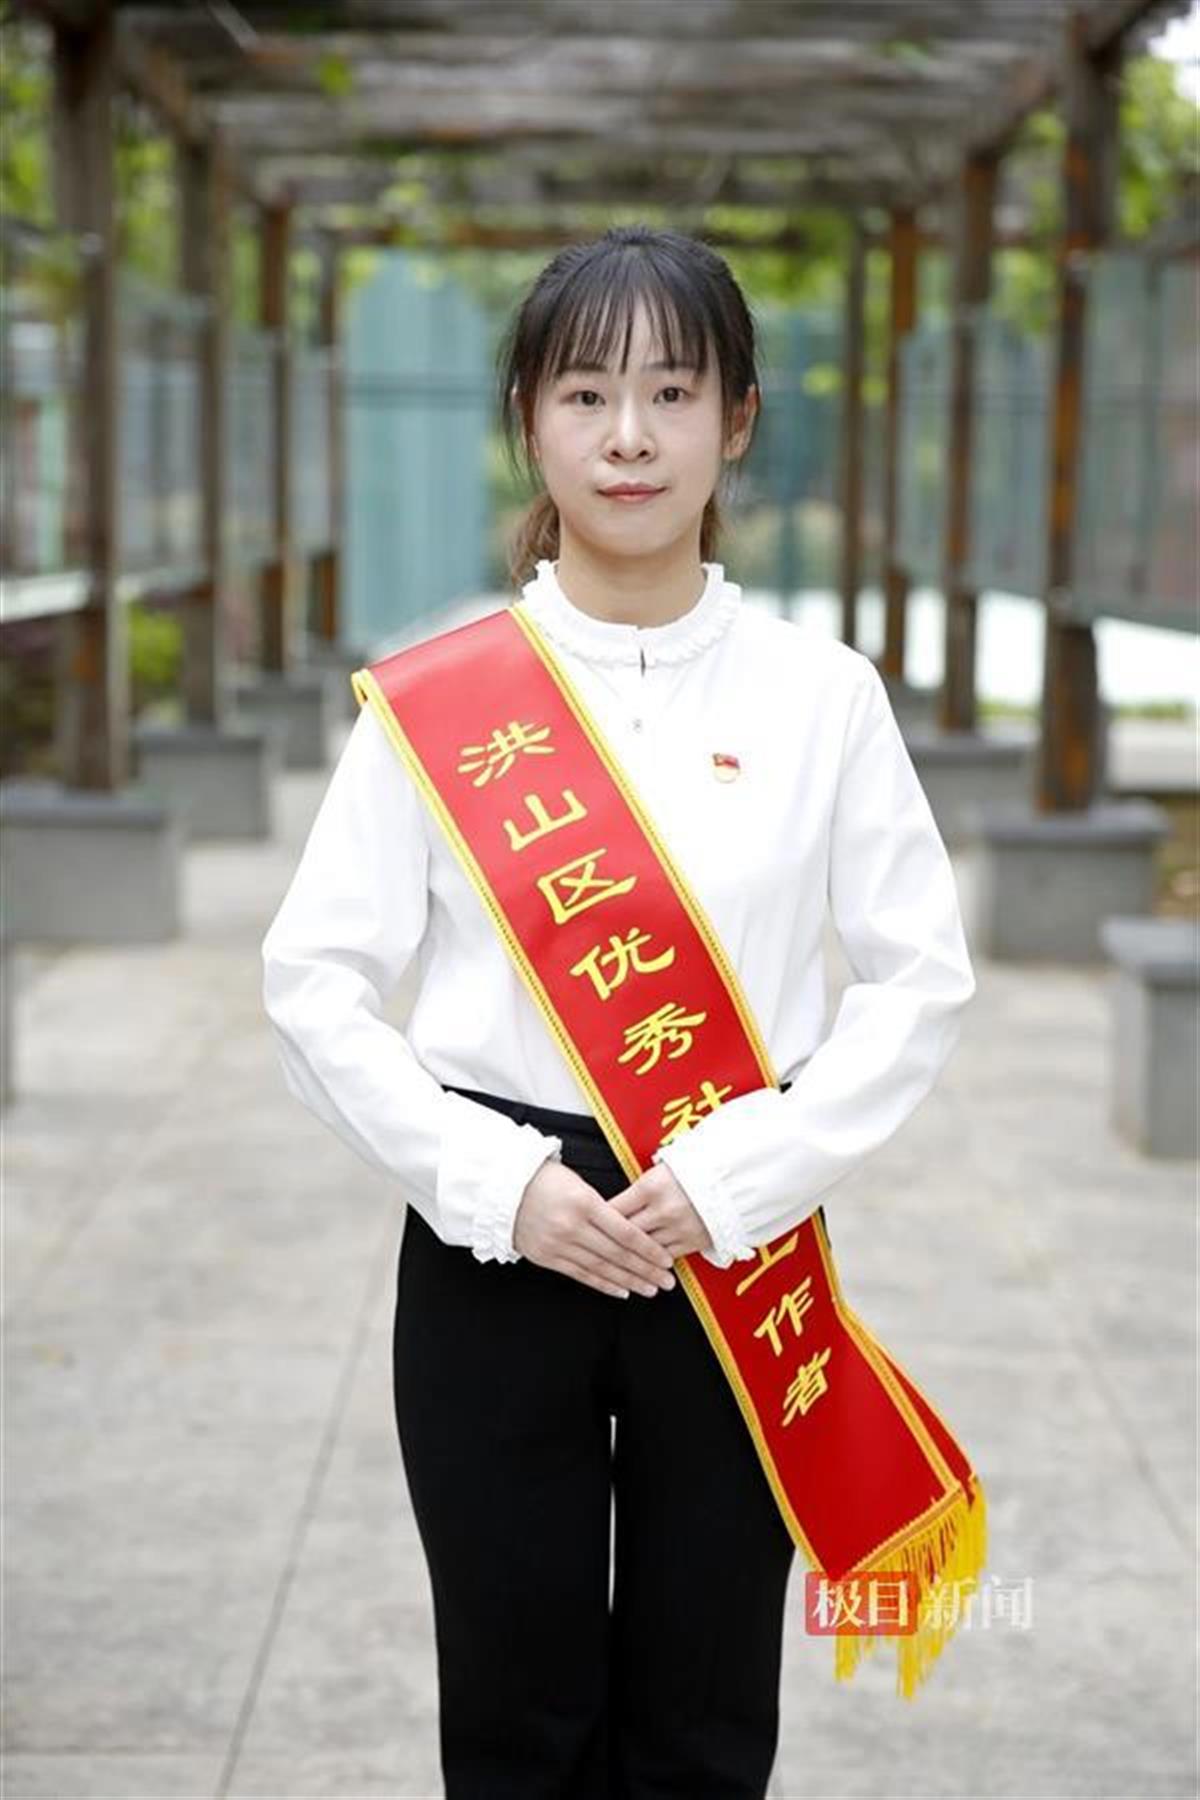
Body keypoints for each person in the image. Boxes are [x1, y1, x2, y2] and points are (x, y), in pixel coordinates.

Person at [260, 224, 977, 1799]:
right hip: (493, 1240)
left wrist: (744, 1174)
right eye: (586, 394)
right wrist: (490, 1181)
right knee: (511, 1710)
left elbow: (920, 978)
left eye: (673, 392)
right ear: (530, 420)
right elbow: (312, 981)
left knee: (704, 1715)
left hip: (732, 1233)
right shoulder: (438, 698)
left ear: (739, 419)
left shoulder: (822, 696)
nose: (630, 436)